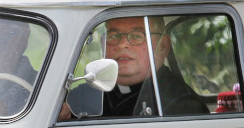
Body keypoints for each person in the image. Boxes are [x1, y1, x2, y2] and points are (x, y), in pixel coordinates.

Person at [61, 16, 207, 120]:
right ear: (103, 45)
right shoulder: (78, 98)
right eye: (113, 36)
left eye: (137, 36)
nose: (122, 44)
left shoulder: (183, 106)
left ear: (163, 47)